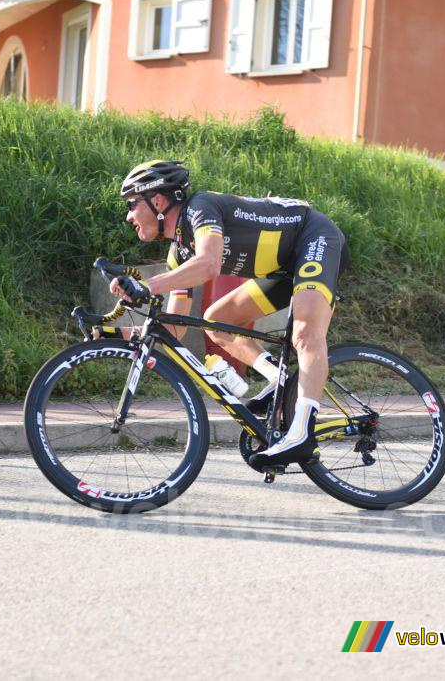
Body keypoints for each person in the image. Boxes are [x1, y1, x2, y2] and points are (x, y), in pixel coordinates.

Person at [106, 159, 349, 470]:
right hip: (285, 266)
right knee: (217, 322)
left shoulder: (200, 208)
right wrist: (114, 334)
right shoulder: (179, 254)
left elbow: (209, 264)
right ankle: (281, 380)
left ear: (158, 200)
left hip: (314, 238)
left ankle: (302, 435)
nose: (128, 216)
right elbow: (173, 329)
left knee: (305, 334)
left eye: (132, 204)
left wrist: (146, 285)